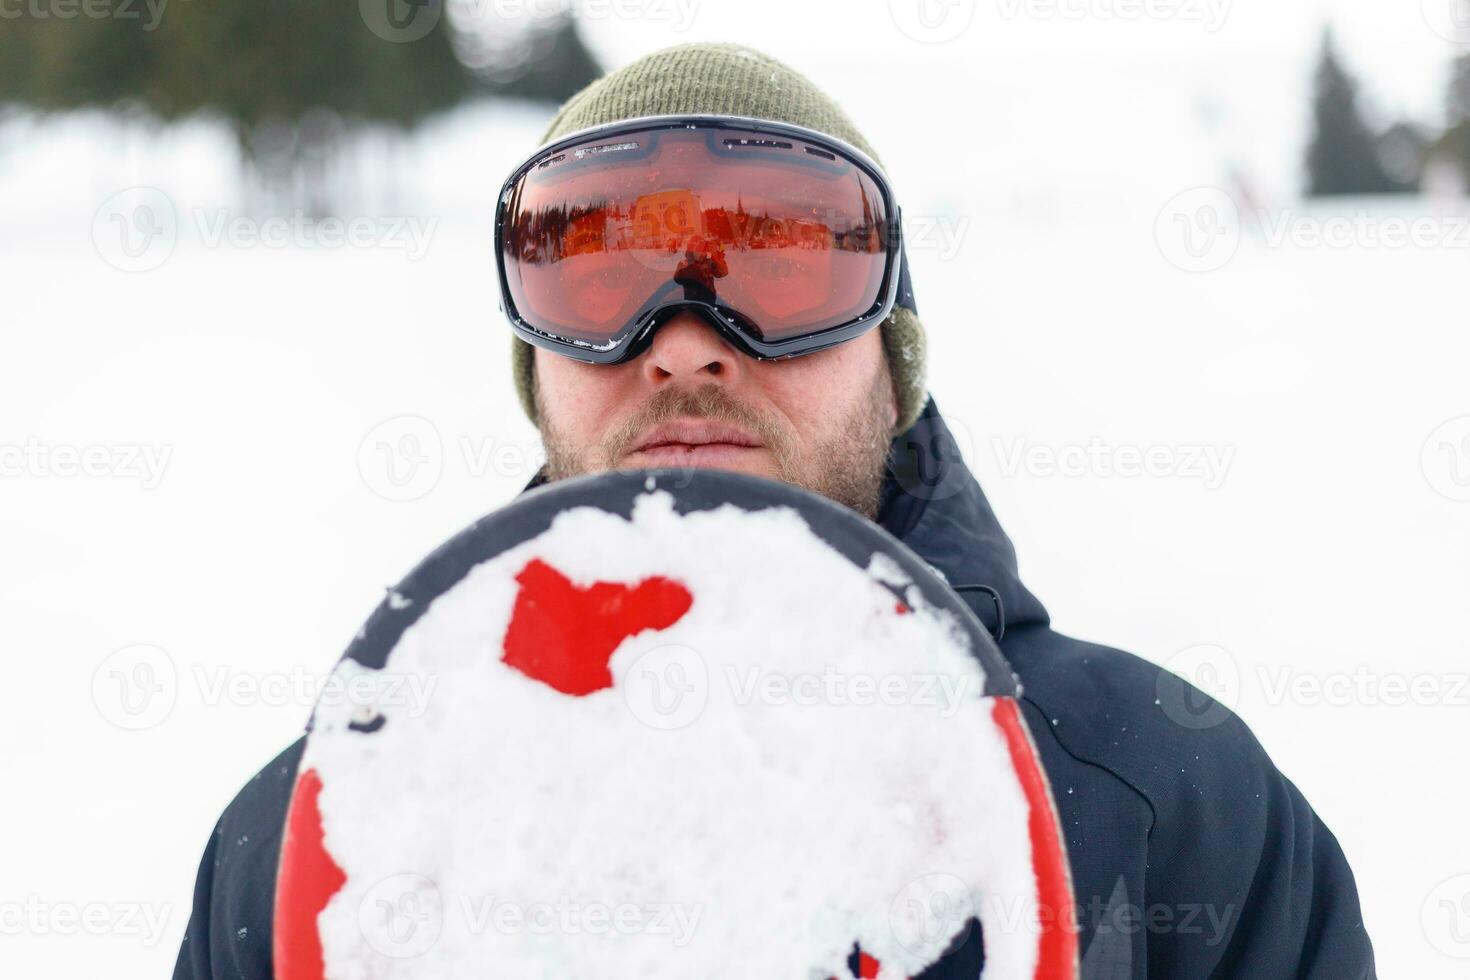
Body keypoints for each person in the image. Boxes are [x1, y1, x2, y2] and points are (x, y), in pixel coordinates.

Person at [174, 43, 1376, 979]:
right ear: (534, 368)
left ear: (893, 364)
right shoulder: (318, 836)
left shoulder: (1177, 806)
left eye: (785, 267)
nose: (688, 346)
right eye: (597, 275)